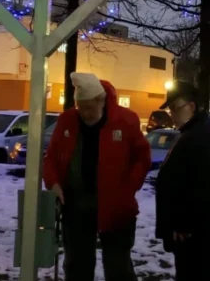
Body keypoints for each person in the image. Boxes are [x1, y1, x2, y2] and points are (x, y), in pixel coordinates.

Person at [43, 72, 152, 281]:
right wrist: (53, 183)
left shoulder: (125, 120)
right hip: (76, 206)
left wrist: (128, 189)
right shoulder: (68, 120)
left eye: (89, 108)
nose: (84, 113)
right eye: (80, 107)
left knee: (118, 266)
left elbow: (142, 157)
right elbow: (52, 158)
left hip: (117, 207)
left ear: (101, 101)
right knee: (76, 265)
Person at [155, 82, 210, 281]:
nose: (172, 114)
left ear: (192, 106)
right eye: (170, 109)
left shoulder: (202, 135)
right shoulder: (194, 132)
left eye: (175, 108)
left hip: (198, 240)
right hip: (194, 237)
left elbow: (203, 188)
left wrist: (184, 225)